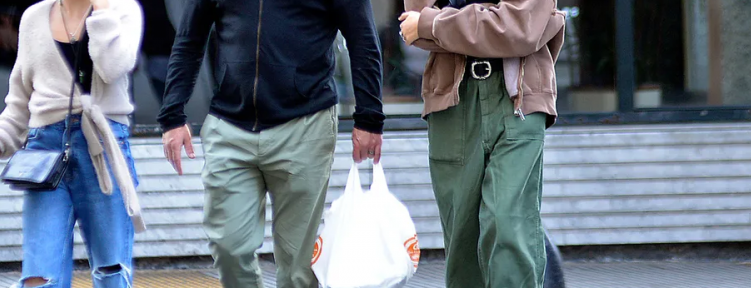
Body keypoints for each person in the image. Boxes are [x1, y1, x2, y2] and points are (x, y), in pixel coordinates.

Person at [158, 0, 386, 286]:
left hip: (305, 125)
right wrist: (172, 115)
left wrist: (369, 119)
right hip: (230, 126)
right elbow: (189, 40)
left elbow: (363, 41)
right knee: (229, 248)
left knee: (297, 266)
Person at [0, 0, 145, 287]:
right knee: (39, 275)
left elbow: (112, 68)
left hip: (102, 147)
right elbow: (20, 99)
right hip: (44, 151)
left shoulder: (122, 9)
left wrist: (101, 13)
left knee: (111, 271)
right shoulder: (34, 17)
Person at [399, 0, 566, 287]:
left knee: (509, 227)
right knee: (463, 242)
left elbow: (522, 28)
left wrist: (438, 22)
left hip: (519, 98)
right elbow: (413, 25)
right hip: (451, 98)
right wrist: (491, 20)